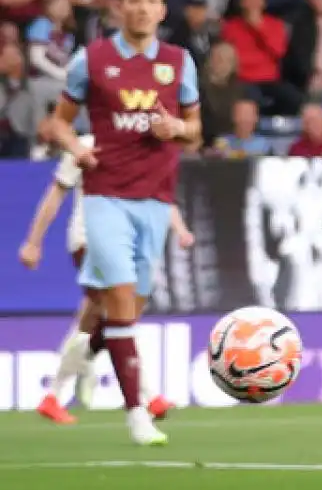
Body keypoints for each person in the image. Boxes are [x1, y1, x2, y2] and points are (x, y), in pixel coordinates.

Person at [37, 0, 201, 447]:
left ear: (163, 9)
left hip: (155, 200)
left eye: (151, 0)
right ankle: (138, 415)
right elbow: (59, 123)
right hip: (105, 197)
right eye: (133, 0)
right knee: (121, 301)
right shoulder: (92, 60)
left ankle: (65, 383)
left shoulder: (178, 61)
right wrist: (77, 148)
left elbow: (196, 128)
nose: (143, 8)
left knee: (123, 312)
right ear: (119, 7)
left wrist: (177, 129)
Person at [18, 134, 193, 423]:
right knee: (118, 315)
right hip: (89, 239)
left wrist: (180, 229)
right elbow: (56, 193)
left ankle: (56, 391)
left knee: (92, 322)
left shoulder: (142, 146)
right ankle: (148, 397)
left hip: (125, 244)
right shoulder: (83, 145)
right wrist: (33, 241)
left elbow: (158, 196)